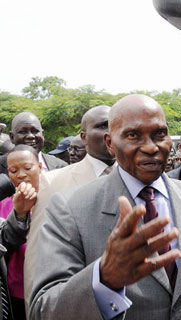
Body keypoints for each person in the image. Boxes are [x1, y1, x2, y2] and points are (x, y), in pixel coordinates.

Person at [29, 94, 181, 319]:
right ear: (110, 143)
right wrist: (104, 279)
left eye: (159, 134)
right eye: (133, 135)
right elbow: (43, 309)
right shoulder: (69, 208)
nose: (151, 147)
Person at [23, 105, 116, 311]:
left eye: (116, 125)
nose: (110, 131)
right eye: (102, 126)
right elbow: (37, 257)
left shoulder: (140, 180)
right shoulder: (53, 182)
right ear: (84, 136)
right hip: (78, 305)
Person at [0, 145, 40, 320]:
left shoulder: (56, 198)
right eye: (14, 170)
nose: (21, 175)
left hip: (49, 284)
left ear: (40, 167)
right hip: (17, 288)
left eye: (28, 168)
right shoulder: (3, 206)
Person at [0, 112, 67, 175]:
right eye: (23, 132)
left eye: (35, 131)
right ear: (12, 137)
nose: (30, 136)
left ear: (43, 135)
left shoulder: (61, 167)